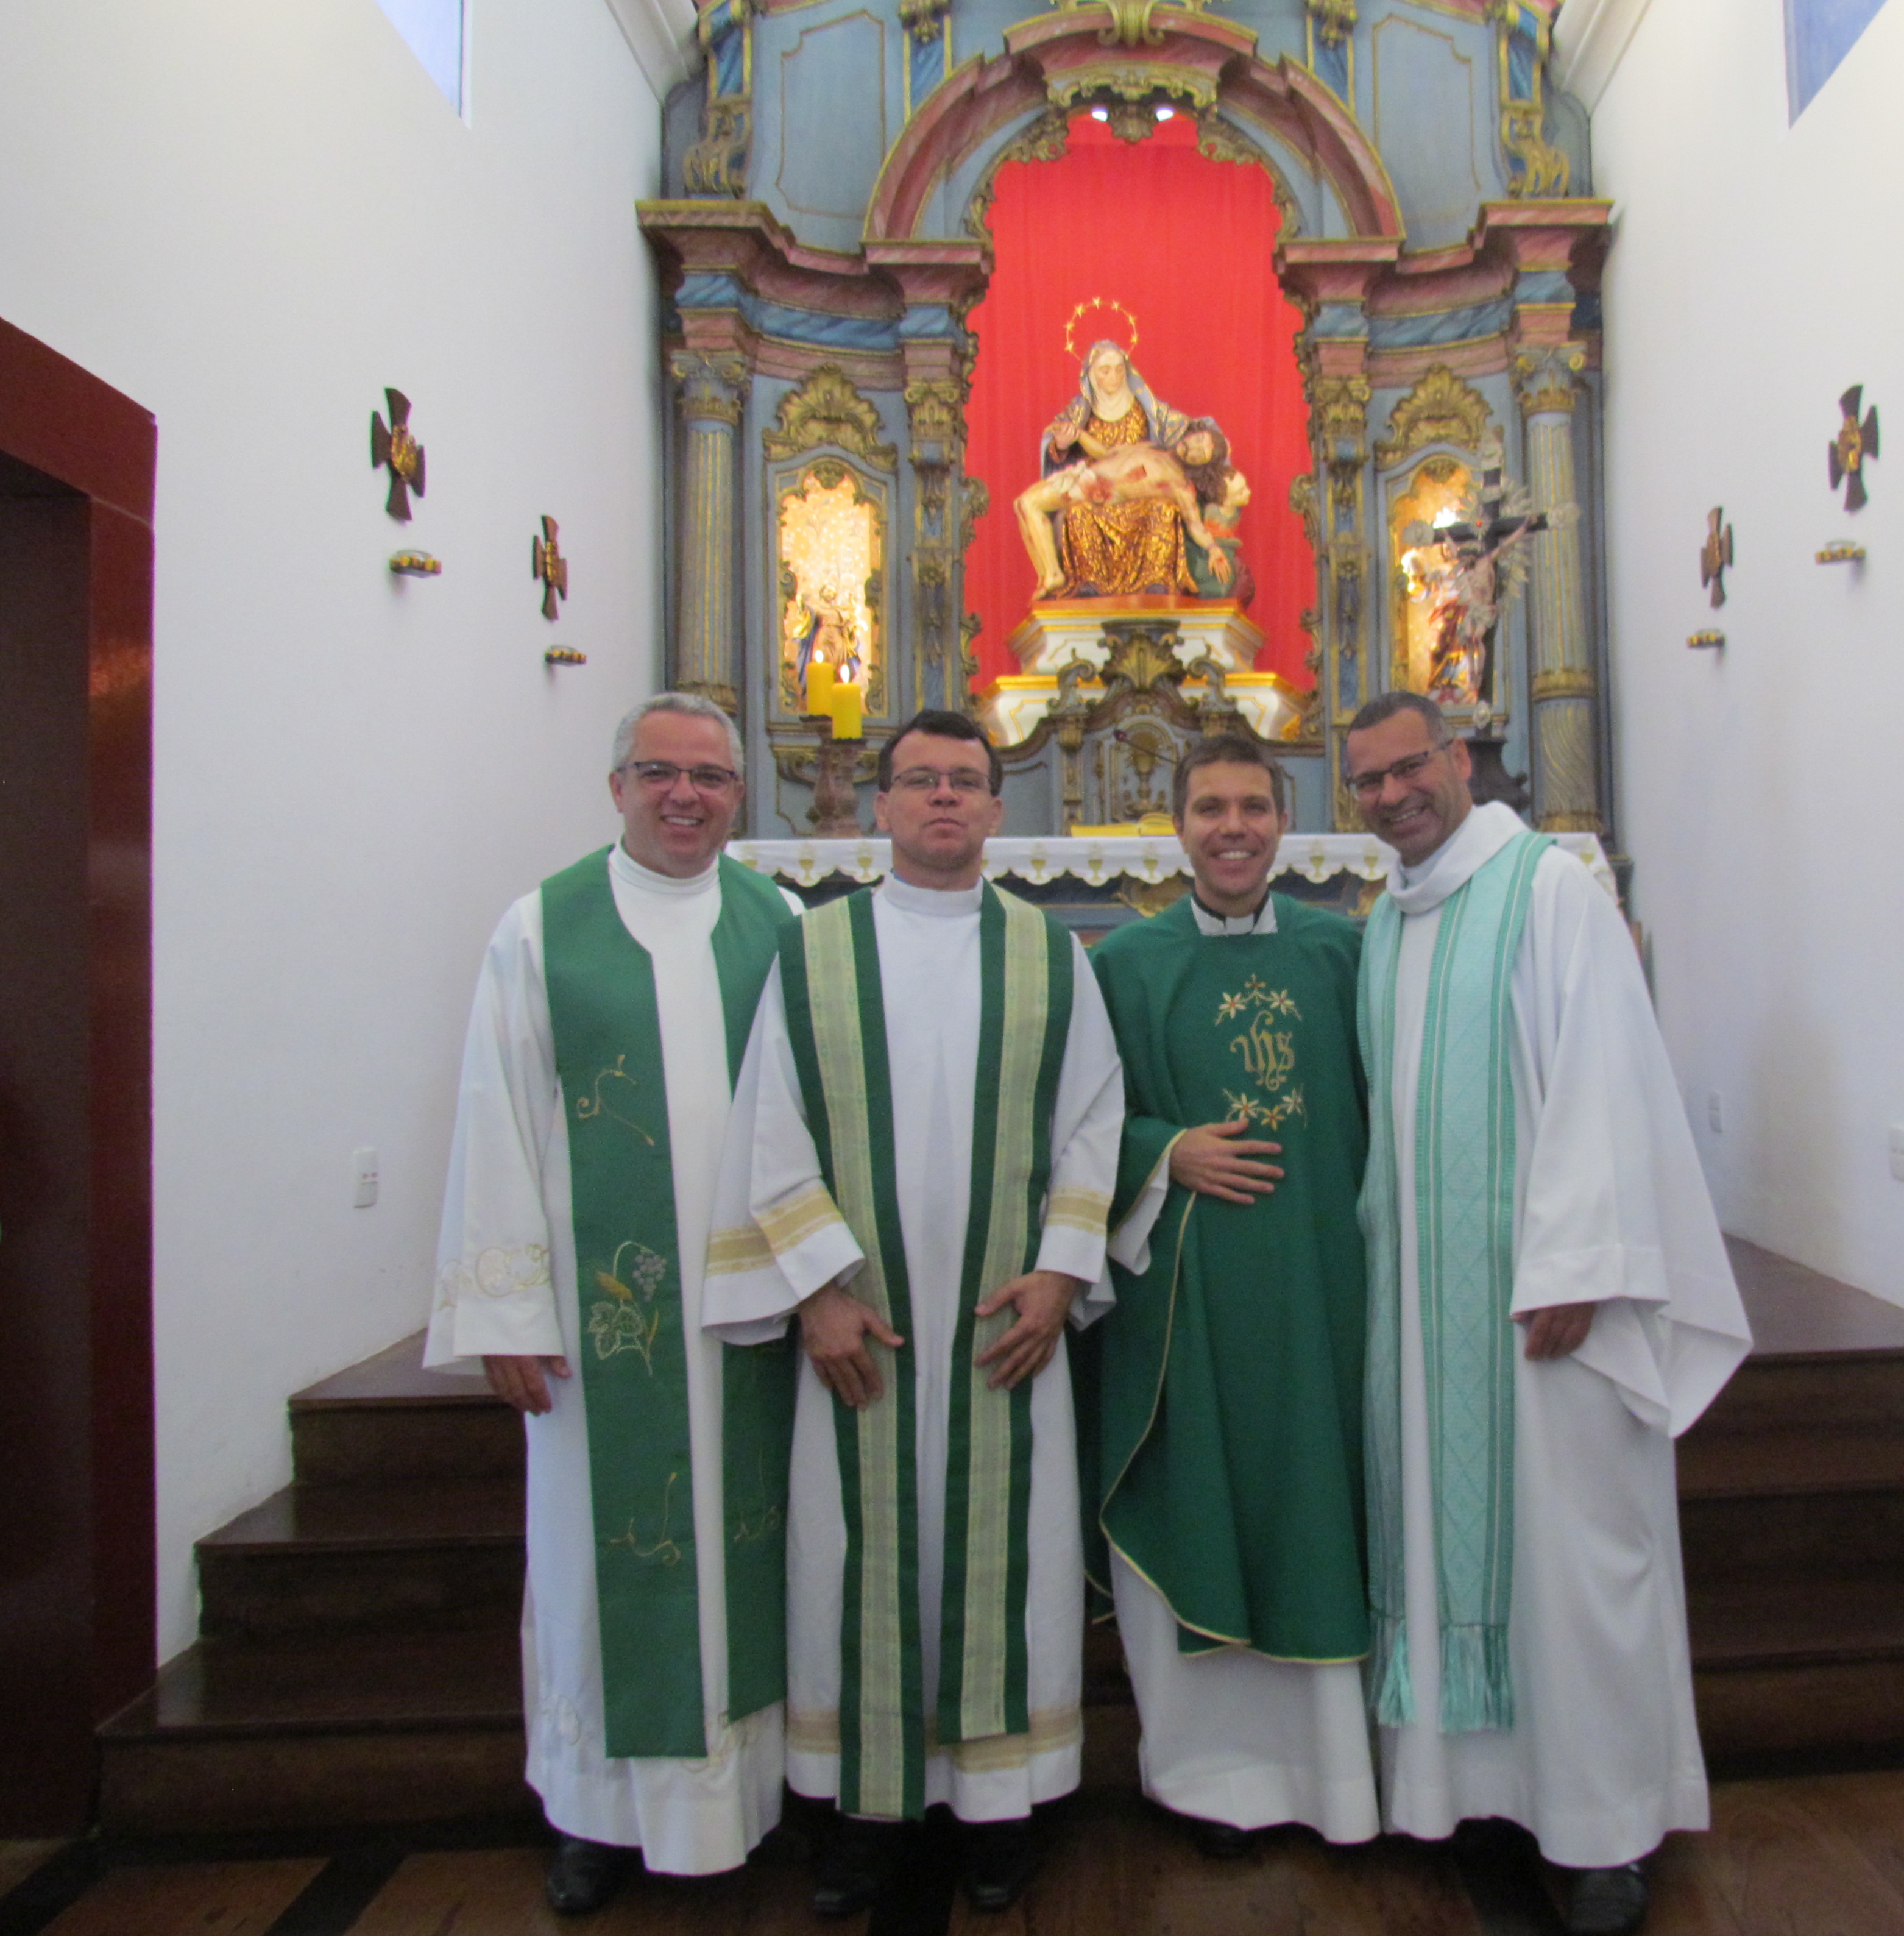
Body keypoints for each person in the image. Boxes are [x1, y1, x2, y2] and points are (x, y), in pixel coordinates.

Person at [1339, 691, 1753, 1936]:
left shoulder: (1550, 888)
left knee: (1577, 1564)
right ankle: (1467, 1792)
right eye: (1367, 781)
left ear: (1458, 761)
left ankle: (1602, 1829)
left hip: (1544, 1305)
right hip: (1425, 1310)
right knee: (1448, 1543)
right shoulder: (1388, 921)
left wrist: (1579, 1260)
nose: (1394, 795)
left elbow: (1609, 1072)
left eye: (1412, 768)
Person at [704, 707, 1124, 1915]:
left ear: (999, 811)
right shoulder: (815, 951)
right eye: (918, 782)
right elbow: (769, 1124)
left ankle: (1003, 1807)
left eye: (967, 783)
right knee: (852, 1556)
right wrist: (817, 1294)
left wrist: (1059, 1273)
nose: (943, 800)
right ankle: (862, 1816)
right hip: (863, 1332)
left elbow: (1094, 1124)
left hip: (1008, 1323)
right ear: (880, 807)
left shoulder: (1054, 957)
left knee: (1011, 1563)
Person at [427, 693, 798, 1915]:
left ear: (741, 794)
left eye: (710, 777)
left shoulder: (780, 926)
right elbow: (495, 1120)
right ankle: (594, 1812)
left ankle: (750, 1796)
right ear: (617, 786)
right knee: (596, 1559)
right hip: (604, 1330)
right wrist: (508, 1314)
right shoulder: (543, 928)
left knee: (751, 1549)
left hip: (751, 1317)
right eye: (659, 772)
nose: (685, 796)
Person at [1080, 731, 1377, 1851]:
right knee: (1203, 1500)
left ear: (1284, 823)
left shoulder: (1346, 953)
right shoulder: (1123, 967)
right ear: (1178, 826)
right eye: (1210, 807)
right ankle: (1213, 1781)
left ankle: (1341, 1779)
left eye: (1253, 805)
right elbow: (1072, 1130)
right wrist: (1164, 1153)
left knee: (1318, 1502)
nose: (1234, 827)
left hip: (1325, 1297)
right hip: (1187, 1310)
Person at [1027, 339, 1201, 598]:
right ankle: (1090, 584)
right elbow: (1057, 449)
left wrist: (1204, 442)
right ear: (1092, 375)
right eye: (1105, 370)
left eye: (1119, 369)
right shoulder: (1079, 410)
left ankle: (1156, 582)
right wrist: (1062, 445)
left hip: (1140, 487)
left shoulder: (1147, 407)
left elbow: (1186, 434)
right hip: (1097, 489)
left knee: (1164, 509)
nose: (1114, 377)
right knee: (1078, 515)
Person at [1017, 419, 1242, 601]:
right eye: (1199, 440)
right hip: (1082, 474)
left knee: (1029, 503)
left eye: (1201, 453)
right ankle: (1049, 574)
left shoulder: (1178, 483)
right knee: (1022, 505)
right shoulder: (1151, 447)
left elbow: (1194, 524)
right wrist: (1079, 434)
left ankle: (1053, 574)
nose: (1193, 448)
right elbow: (1105, 453)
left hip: (1095, 489)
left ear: (1201, 466)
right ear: (1194, 432)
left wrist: (1213, 548)